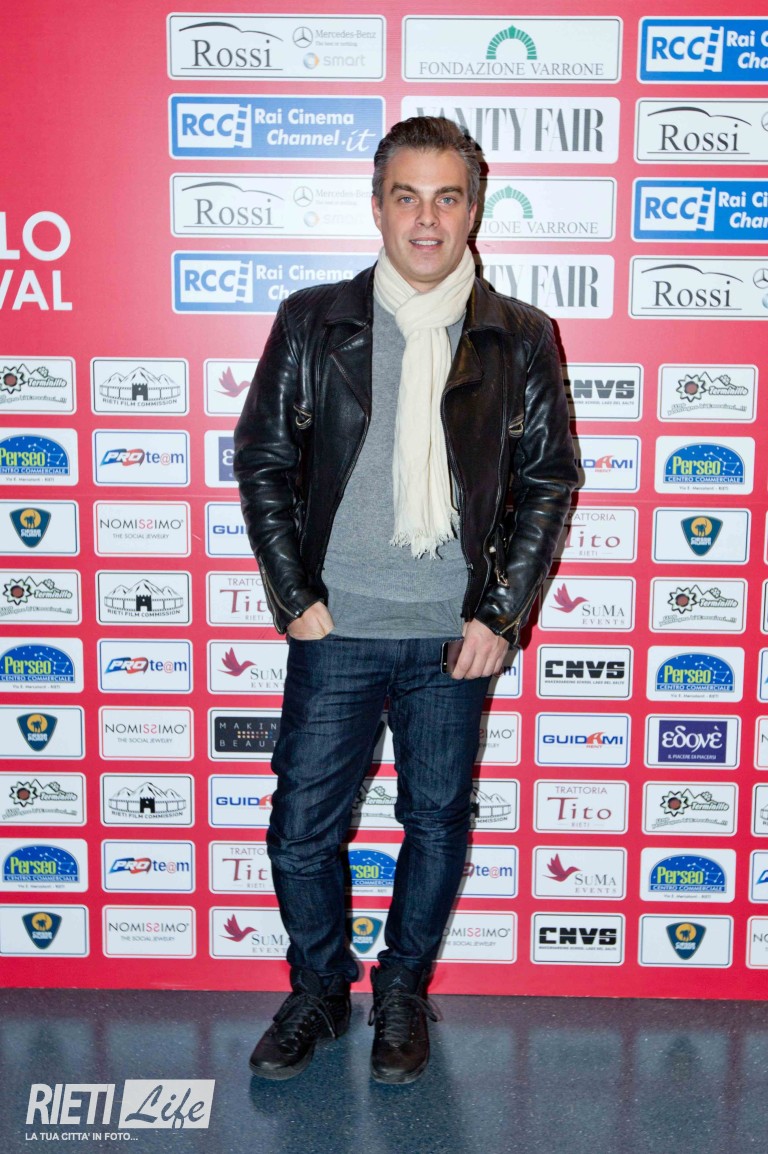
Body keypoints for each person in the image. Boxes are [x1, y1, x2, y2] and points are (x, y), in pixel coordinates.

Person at [233, 116, 577, 1084]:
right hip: (336, 626)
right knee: (302, 828)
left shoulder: (520, 336)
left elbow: (548, 479)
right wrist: (294, 596)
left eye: (447, 197)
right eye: (407, 197)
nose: (427, 219)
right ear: (378, 207)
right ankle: (317, 990)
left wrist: (500, 614)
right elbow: (262, 458)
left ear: (474, 209)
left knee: (436, 820)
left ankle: (402, 991)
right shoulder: (313, 321)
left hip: (451, 638)